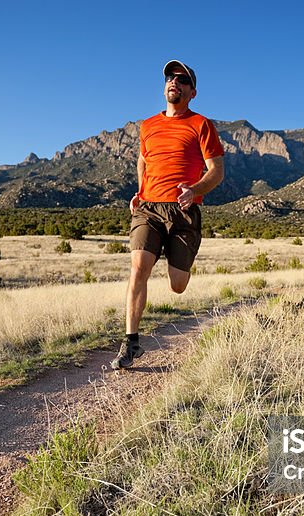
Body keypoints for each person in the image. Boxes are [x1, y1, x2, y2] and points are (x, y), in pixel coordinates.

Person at [111, 59, 225, 369]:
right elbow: (143, 160)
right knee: (138, 267)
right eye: (170, 78)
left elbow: (217, 171)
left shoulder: (201, 124)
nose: (174, 81)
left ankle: (176, 256)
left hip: (184, 210)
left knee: (178, 284)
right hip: (149, 207)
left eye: (182, 79)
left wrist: (194, 188)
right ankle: (131, 342)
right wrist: (139, 190)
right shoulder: (147, 125)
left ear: (192, 92)